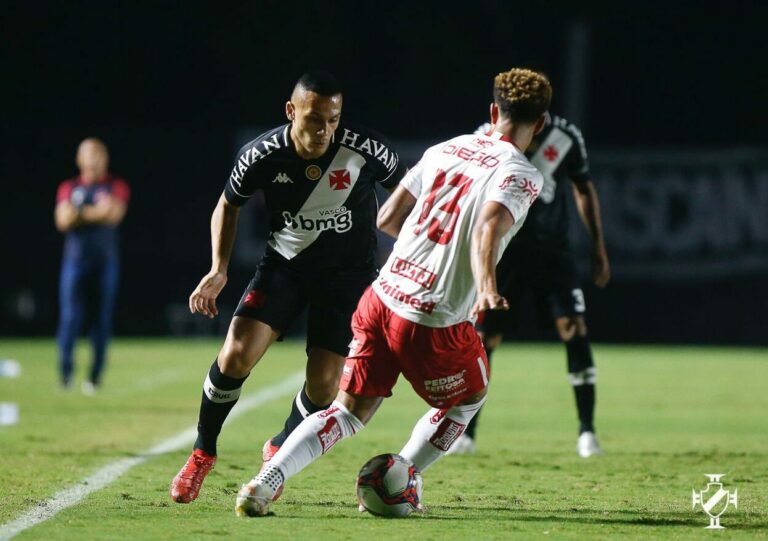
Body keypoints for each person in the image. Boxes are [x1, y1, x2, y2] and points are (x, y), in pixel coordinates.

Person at [233, 67, 551, 517]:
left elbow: (388, 219)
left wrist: (419, 257)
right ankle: (405, 476)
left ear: (493, 111)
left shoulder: (446, 148)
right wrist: (485, 287)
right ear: (539, 124)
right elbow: (487, 228)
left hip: (381, 297)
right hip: (432, 319)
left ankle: (265, 483)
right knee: (468, 399)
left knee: (346, 412)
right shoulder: (521, 174)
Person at [169, 71, 407, 504]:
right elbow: (228, 204)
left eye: (333, 119)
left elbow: (407, 197)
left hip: (348, 279)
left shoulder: (367, 149)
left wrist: (407, 259)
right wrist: (218, 268)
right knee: (236, 353)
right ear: (290, 111)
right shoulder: (262, 154)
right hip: (285, 268)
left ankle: (278, 447)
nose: (324, 130)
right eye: (315, 118)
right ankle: (202, 451)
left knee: (324, 386)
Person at [450, 113, 610, 458]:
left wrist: (598, 246)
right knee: (484, 337)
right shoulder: (487, 135)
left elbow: (584, 186)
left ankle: (587, 432)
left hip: (553, 252)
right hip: (506, 252)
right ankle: (465, 433)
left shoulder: (565, 136)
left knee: (573, 327)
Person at [54, 138, 130, 395]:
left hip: (105, 262)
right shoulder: (68, 186)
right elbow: (63, 220)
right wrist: (95, 211)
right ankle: (65, 375)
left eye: (99, 154)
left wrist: (79, 213)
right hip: (74, 262)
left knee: (101, 319)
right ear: (79, 159)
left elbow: (113, 214)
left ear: (106, 158)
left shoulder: (115, 186)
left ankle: (94, 377)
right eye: (89, 154)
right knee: (69, 318)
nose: (94, 159)